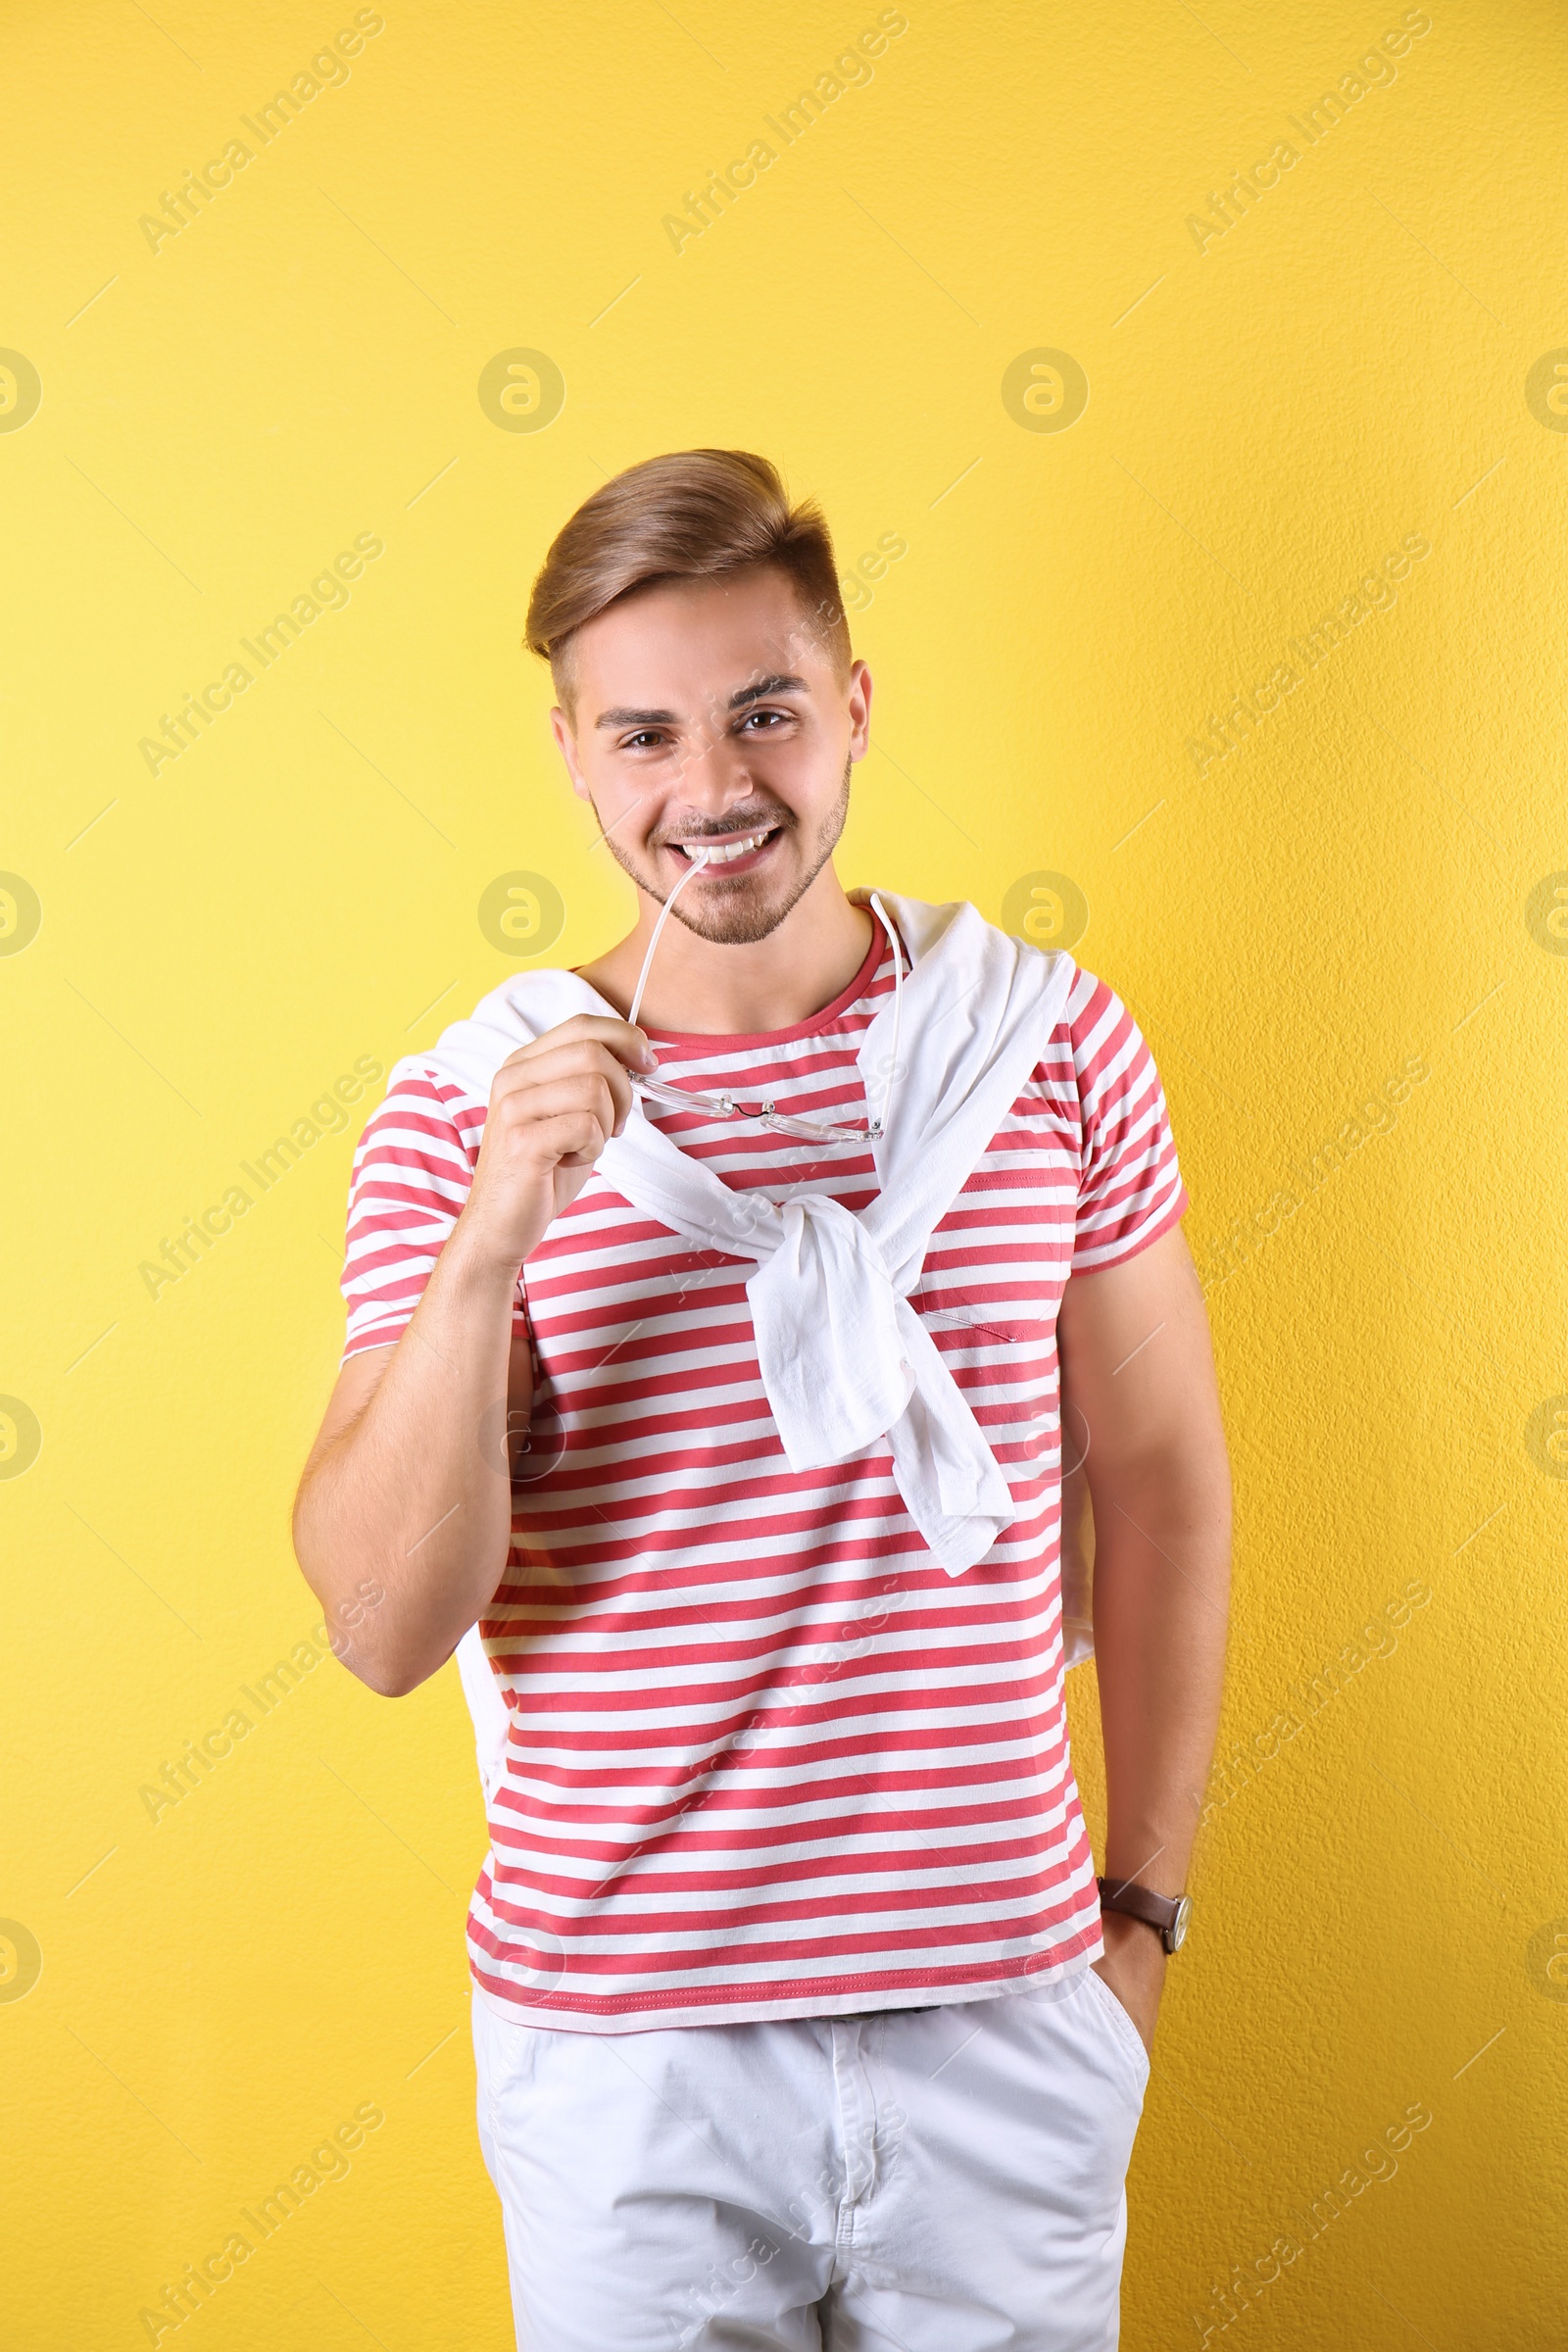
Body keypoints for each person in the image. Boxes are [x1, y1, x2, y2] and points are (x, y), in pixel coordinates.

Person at [292, 447, 1233, 2349]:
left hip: (1002, 2026)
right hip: (629, 2068)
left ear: (850, 710)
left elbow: (1159, 1490)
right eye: (644, 735)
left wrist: (1135, 1924)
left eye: (763, 716)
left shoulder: (1041, 1040)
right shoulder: (458, 1115)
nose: (712, 791)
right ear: (570, 753)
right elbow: (383, 1626)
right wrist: (491, 1241)